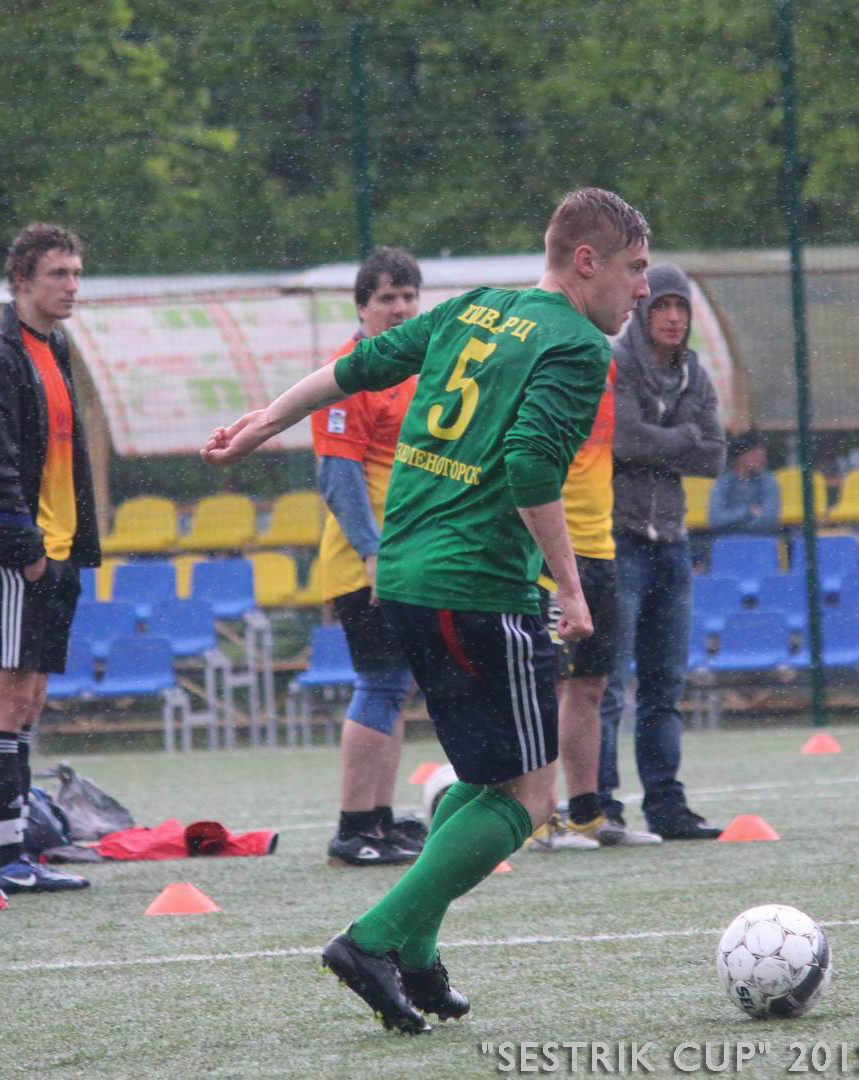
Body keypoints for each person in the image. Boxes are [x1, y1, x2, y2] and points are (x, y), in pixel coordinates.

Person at [203, 187, 651, 1033]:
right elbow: (528, 465)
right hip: (478, 583)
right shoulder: (575, 347)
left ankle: (416, 954)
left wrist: (266, 421)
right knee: (529, 796)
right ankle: (371, 939)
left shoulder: (476, 307)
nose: (641, 289)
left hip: (405, 573)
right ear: (585, 260)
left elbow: (358, 365)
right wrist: (569, 584)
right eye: (634, 269)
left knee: (481, 781)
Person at [0, 222, 102, 893]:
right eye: (58, 274)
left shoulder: (52, 347)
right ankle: (4, 858)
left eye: (76, 273)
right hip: (10, 554)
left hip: (52, 553)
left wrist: (65, 552)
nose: (71, 286)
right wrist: (27, 552)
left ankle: (22, 847)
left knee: (29, 698)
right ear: (20, 281)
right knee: (5, 698)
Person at [597, 263, 727, 842]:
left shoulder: (695, 373)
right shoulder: (616, 365)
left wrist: (662, 445)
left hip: (673, 544)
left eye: (681, 307)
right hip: (618, 539)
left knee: (664, 686)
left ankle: (667, 807)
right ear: (644, 312)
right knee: (607, 684)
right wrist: (681, 438)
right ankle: (601, 805)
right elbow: (622, 439)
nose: (673, 318)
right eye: (663, 306)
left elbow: (715, 456)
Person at [310, 246, 426, 867]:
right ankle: (351, 828)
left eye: (408, 296)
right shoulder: (349, 372)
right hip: (367, 562)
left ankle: (379, 821)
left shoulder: (418, 370)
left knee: (395, 686)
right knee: (380, 682)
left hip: (406, 558)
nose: (400, 308)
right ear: (362, 307)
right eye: (386, 298)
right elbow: (338, 476)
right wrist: (374, 553)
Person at [527, 359, 662, 851]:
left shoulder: (606, 363)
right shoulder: (542, 354)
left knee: (590, 684)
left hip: (600, 549)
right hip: (550, 551)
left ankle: (586, 813)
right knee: (548, 684)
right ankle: (539, 817)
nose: (628, 321)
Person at [708, 431, 780, 535]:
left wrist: (735, 525)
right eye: (755, 454)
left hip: (761, 539)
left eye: (762, 454)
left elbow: (770, 518)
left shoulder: (767, 479)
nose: (761, 458)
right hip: (728, 540)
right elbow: (715, 519)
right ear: (740, 456)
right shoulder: (724, 482)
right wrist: (748, 512)